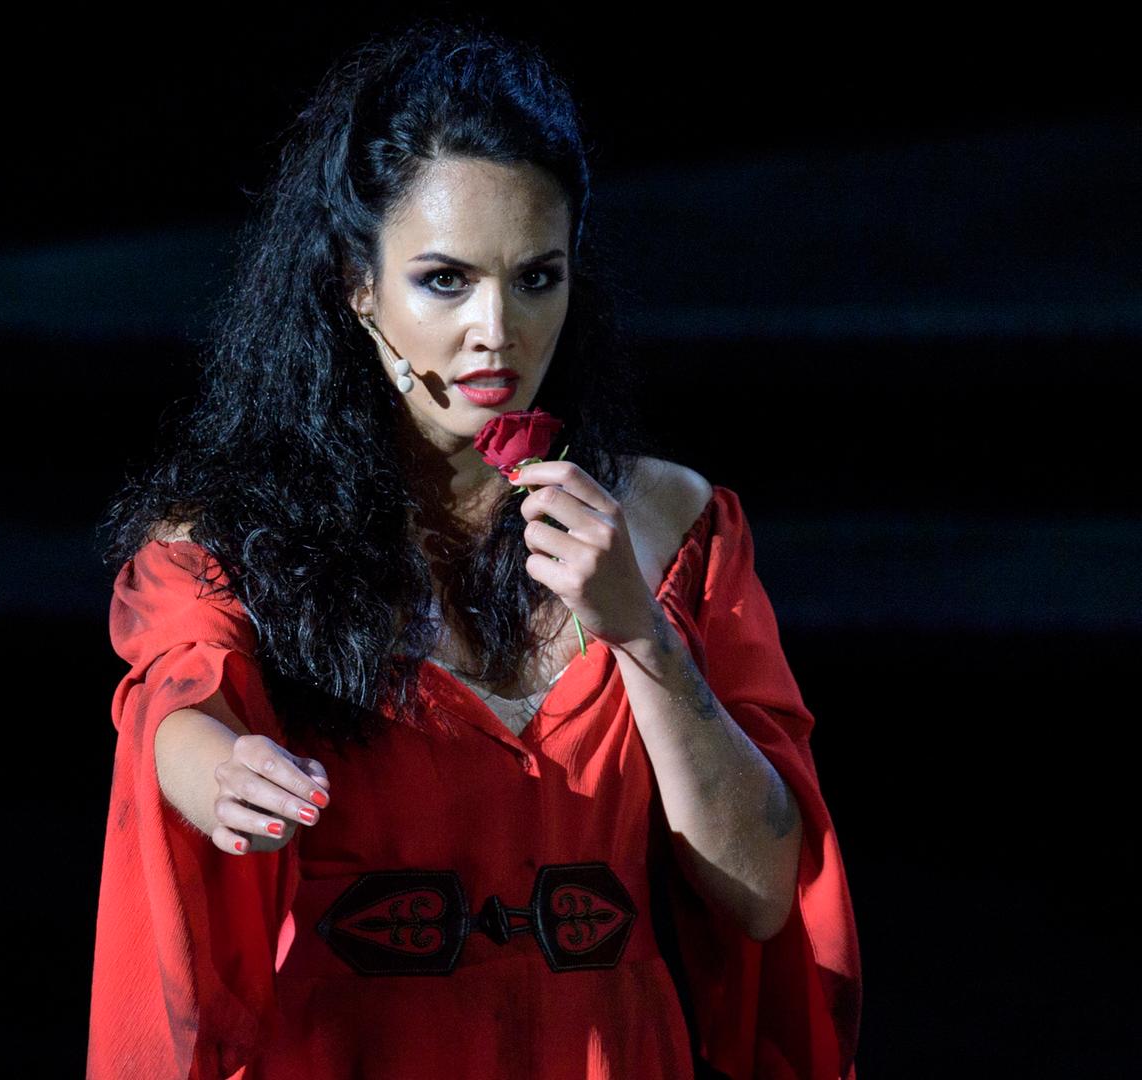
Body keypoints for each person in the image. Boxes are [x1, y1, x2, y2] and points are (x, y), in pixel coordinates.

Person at [88, 17, 861, 1079]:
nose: (498, 329)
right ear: (359, 284)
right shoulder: (235, 540)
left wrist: (641, 635)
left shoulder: (672, 523)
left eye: (536, 278)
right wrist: (219, 771)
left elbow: (767, 888)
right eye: (446, 281)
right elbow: (177, 701)